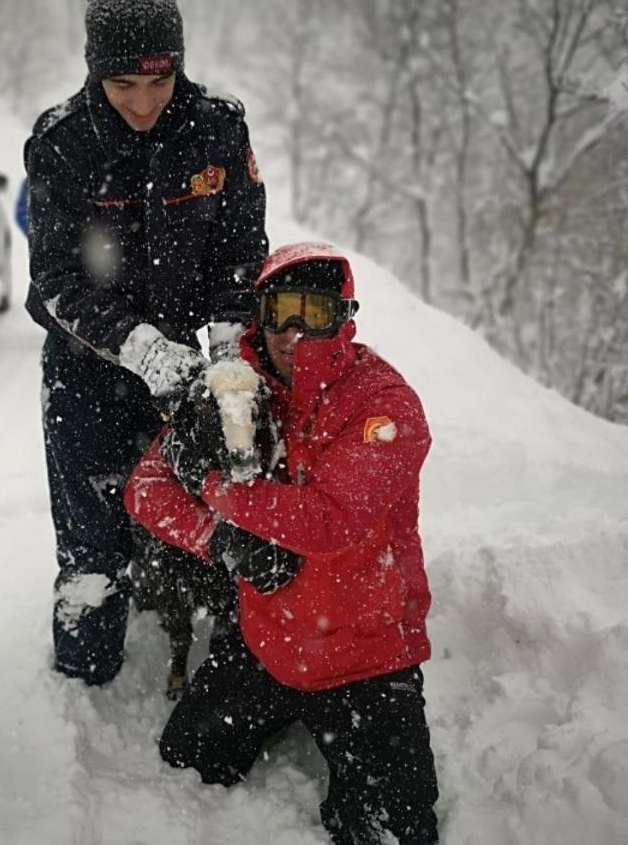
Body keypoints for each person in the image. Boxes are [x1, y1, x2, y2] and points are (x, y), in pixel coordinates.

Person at [124, 243, 441, 845]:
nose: (293, 332)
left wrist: (212, 485)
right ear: (259, 317)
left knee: (393, 836)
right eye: (280, 311)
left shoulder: (384, 404)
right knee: (184, 759)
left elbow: (330, 521)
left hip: (368, 661)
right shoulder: (233, 392)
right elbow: (146, 487)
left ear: (343, 317)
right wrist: (223, 542)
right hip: (267, 644)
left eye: (313, 312)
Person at [25, 0, 268, 687]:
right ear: (95, 70)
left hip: (194, 370)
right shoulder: (63, 143)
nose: (142, 102)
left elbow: (241, 251)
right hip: (87, 369)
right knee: (93, 541)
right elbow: (56, 281)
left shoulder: (218, 129)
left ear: (179, 64)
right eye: (122, 84)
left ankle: (228, 664)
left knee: (212, 512)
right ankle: (84, 681)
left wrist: (227, 353)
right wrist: (139, 348)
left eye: (158, 82)